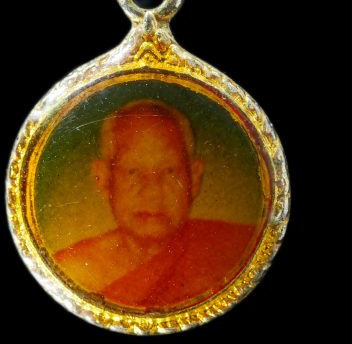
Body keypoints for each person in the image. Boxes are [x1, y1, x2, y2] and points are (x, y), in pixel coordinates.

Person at [54, 100, 256, 309]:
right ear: (104, 179)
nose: (152, 192)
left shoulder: (239, 253)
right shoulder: (71, 272)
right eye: (133, 172)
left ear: (194, 179)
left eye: (169, 171)